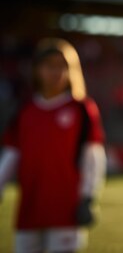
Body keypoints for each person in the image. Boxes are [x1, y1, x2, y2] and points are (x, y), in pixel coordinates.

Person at [0, 38, 106, 253]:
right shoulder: (24, 111)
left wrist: (88, 197)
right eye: (49, 65)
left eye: (62, 66)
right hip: (29, 209)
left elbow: (93, 157)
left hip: (66, 210)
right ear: (37, 70)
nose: (56, 72)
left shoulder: (82, 109)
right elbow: (11, 155)